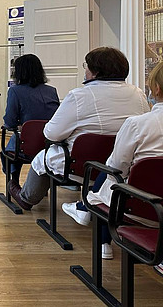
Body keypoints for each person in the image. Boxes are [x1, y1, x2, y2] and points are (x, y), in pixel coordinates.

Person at [8, 47, 150, 212]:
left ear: (95, 71)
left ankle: (27, 197)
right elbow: (143, 128)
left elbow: (51, 134)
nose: (85, 70)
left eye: (86, 66)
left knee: (43, 158)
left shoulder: (79, 96)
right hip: (120, 166)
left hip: (82, 165)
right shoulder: (138, 94)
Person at [62, 60, 163, 266]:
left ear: (156, 88)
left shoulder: (138, 124)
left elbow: (116, 167)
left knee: (110, 175)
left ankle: (97, 230)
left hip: (143, 209)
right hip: (152, 208)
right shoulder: (136, 98)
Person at [1, 54, 60, 183]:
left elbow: (9, 122)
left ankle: (13, 182)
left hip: (28, 145)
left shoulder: (15, 91)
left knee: (13, 145)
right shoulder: (51, 91)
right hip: (51, 144)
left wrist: (20, 126)